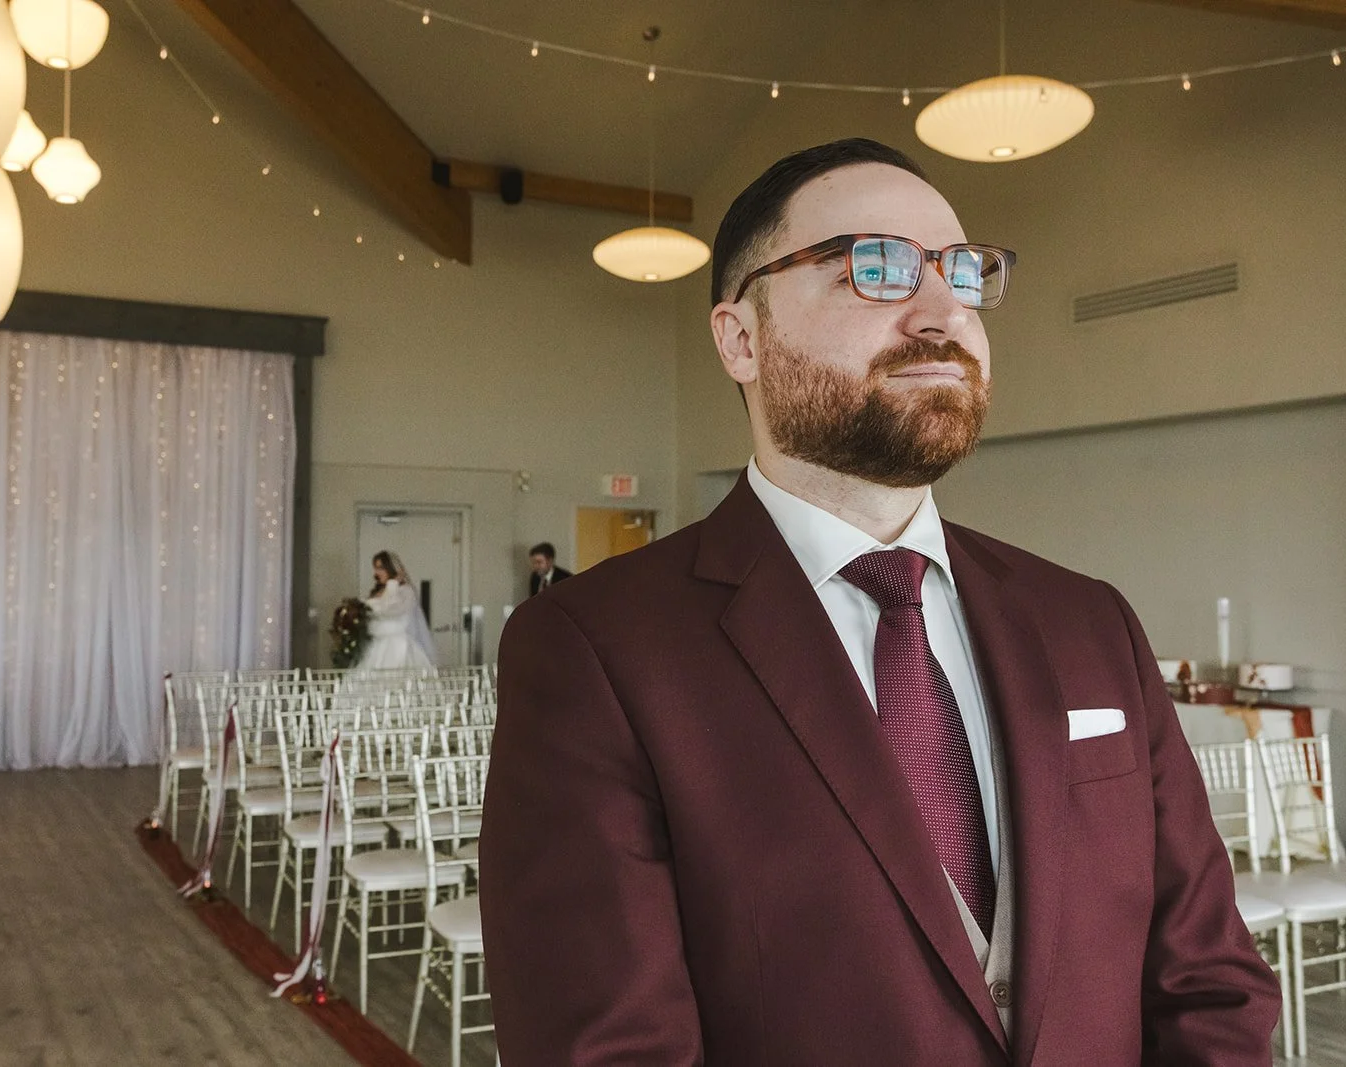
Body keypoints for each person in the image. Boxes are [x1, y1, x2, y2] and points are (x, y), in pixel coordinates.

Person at [481, 139, 1279, 1065]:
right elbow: (608, 1050)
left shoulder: (1088, 621)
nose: (943, 311)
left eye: (963, 271)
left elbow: (1208, 980)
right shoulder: (598, 648)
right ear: (742, 338)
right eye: (878, 267)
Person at [357, 550, 438, 670]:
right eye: (375, 568)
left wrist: (393, 585)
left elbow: (390, 610)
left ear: (390, 569)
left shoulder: (405, 591)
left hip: (397, 646)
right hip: (377, 645)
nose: (377, 573)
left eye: (381, 568)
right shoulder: (378, 592)